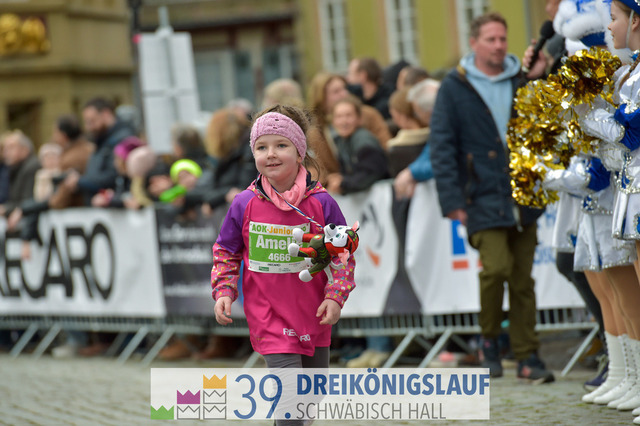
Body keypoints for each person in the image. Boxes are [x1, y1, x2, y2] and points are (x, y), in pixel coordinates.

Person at [212, 104, 356, 425]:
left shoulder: (321, 202)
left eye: (281, 145)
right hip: (268, 314)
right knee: (289, 393)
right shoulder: (244, 203)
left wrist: (336, 296)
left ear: (300, 153)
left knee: (313, 395)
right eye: (261, 147)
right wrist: (224, 290)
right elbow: (226, 250)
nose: (271, 154)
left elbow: (344, 253)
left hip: (312, 312)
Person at [429, 12, 554, 383]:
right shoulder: (455, 86)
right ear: (474, 43)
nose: (499, 46)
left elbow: (546, 119)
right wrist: (452, 201)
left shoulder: (521, 77)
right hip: (479, 195)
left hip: (523, 194)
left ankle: (528, 356)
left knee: (522, 280)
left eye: (503, 38)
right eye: (490, 39)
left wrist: (540, 78)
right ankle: (489, 341)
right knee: (496, 269)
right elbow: (442, 146)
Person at [578, 1, 640, 420]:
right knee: (620, 290)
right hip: (630, 187)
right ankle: (630, 376)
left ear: (635, 20)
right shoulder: (631, 72)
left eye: (615, 18)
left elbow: (629, 135)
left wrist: (585, 113)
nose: (610, 27)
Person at [61, 97, 135, 206]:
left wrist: (80, 181)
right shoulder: (101, 140)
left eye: (91, 121)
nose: (88, 127)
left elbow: (114, 176)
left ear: (105, 114)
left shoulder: (122, 140)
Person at [325, 96, 389, 195]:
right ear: (333, 121)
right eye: (339, 116)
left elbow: (370, 175)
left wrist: (343, 183)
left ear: (359, 119)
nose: (344, 121)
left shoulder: (364, 140)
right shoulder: (341, 141)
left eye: (349, 115)